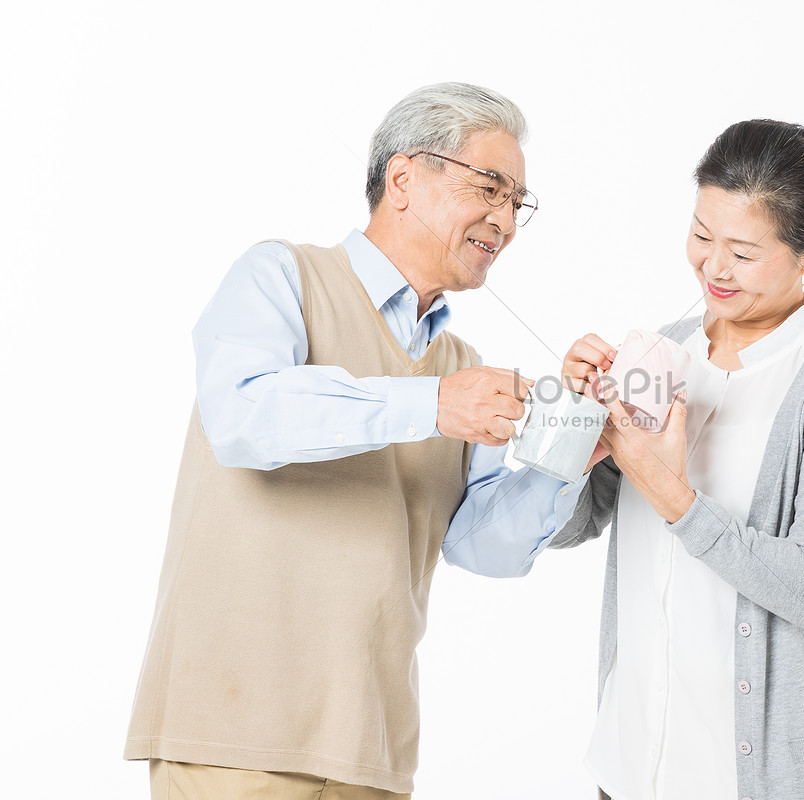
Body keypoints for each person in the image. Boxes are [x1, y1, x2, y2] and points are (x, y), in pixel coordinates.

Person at [124, 82, 557, 799]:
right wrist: (433, 404)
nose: (505, 219)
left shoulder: (463, 369)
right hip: (233, 740)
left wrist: (571, 455)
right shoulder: (281, 277)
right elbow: (243, 415)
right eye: (491, 187)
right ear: (404, 177)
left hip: (371, 751)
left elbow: (482, 544)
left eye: (518, 202)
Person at [445, 119, 804, 799]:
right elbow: (573, 525)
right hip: (634, 767)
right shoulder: (658, 351)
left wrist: (671, 492)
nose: (713, 267)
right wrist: (571, 420)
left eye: (742, 252)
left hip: (758, 780)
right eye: (702, 235)